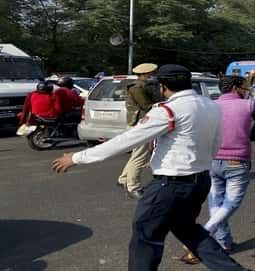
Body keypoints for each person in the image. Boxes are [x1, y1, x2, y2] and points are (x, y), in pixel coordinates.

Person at [52, 64, 245, 271]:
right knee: (188, 230)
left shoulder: (167, 110)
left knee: (145, 237)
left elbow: (126, 140)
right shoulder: (211, 105)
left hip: (170, 185)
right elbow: (215, 142)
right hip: (199, 181)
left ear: (162, 86)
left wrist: (77, 157)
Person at [181, 76, 255, 263]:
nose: (247, 90)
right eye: (245, 87)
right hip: (237, 162)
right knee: (230, 203)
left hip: (211, 161)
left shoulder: (209, 106)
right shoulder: (250, 105)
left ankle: (224, 242)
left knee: (216, 203)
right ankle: (202, 235)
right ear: (236, 88)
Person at [117, 63, 159, 199]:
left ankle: (123, 179)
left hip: (138, 123)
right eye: (152, 73)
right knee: (140, 156)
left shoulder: (140, 86)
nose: (154, 75)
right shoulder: (137, 88)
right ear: (146, 74)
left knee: (136, 154)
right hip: (140, 124)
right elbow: (146, 106)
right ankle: (133, 186)